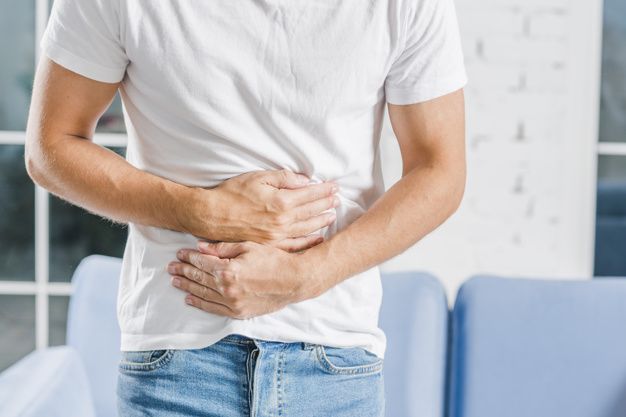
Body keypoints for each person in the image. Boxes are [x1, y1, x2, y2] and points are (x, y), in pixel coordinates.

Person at [25, 0, 468, 415]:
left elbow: (439, 171)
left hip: (335, 364)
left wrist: (306, 275)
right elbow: (50, 147)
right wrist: (203, 211)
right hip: (174, 361)